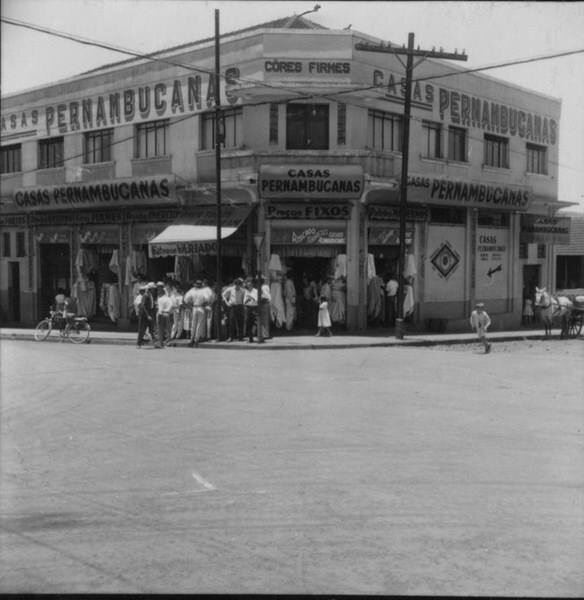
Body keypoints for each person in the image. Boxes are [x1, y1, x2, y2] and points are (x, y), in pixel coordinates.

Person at [183, 280, 207, 347]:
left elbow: (185, 300)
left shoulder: (192, 291)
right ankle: (196, 339)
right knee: (199, 324)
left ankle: (191, 339)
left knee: (193, 324)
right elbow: (208, 300)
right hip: (201, 307)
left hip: (194, 307)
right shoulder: (204, 291)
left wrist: (190, 306)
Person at [222, 277, 245, 341]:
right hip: (232, 306)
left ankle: (240, 337)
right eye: (236, 284)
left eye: (238, 285)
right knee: (231, 322)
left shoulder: (242, 290)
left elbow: (245, 297)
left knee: (240, 322)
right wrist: (227, 303)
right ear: (234, 284)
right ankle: (231, 337)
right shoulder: (230, 289)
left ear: (240, 285)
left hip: (240, 306)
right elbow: (223, 295)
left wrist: (243, 303)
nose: (237, 286)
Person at [136, 282, 157, 348]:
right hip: (144, 315)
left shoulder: (150, 295)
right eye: (153, 288)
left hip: (149, 314)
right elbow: (143, 306)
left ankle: (155, 343)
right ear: (150, 288)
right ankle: (138, 343)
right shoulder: (146, 295)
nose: (154, 289)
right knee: (142, 330)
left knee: (152, 329)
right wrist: (148, 315)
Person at [156, 282, 173, 348]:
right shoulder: (169, 299)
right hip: (167, 314)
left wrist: (160, 315)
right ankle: (168, 341)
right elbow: (171, 305)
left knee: (160, 329)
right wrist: (168, 311)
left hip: (161, 314)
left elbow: (160, 309)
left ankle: (160, 343)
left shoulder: (160, 299)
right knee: (168, 329)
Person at [243, 278, 258, 342]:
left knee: (255, 322)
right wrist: (248, 299)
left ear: (252, 285)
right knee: (248, 323)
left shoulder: (255, 291)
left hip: (254, 308)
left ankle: (254, 334)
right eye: (248, 285)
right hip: (248, 308)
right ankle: (250, 337)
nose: (249, 286)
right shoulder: (246, 291)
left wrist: (250, 298)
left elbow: (256, 300)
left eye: (250, 285)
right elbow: (244, 301)